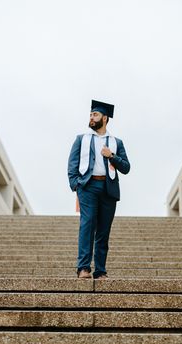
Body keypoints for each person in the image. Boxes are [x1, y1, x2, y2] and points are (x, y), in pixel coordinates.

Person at [68, 100, 130, 279]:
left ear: (105, 118)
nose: (91, 117)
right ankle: (83, 268)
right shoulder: (81, 139)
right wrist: (76, 185)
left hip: (108, 188)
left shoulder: (116, 142)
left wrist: (112, 156)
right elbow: (72, 164)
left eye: (95, 115)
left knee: (103, 231)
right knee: (87, 226)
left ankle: (100, 271)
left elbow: (126, 167)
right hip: (87, 187)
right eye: (90, 115)